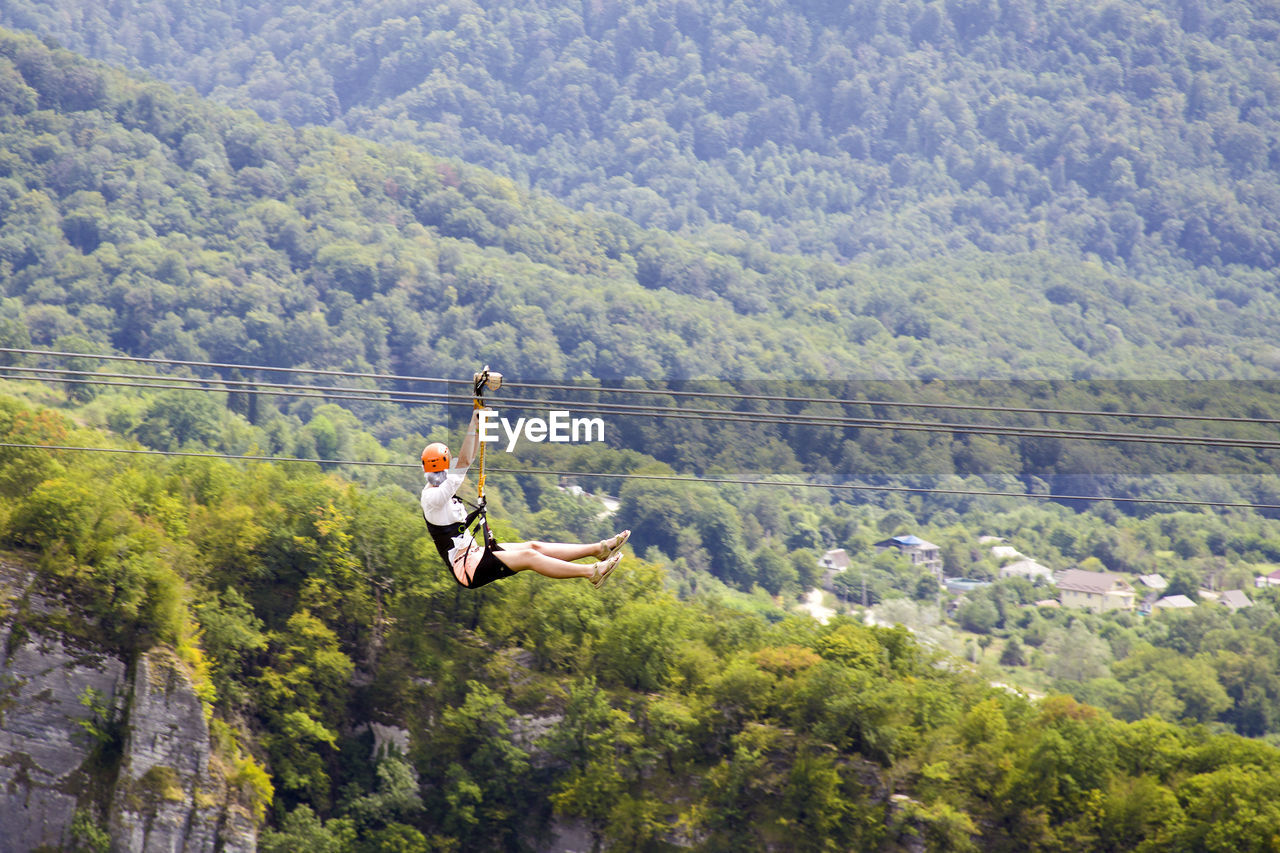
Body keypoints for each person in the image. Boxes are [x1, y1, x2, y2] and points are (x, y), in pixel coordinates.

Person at [420, 406, 629, 590]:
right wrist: (474, 422)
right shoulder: (432, 497)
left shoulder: (440, 489)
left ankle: (599, 549)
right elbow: (465, 461)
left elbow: (470, 456)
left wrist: (479, 425)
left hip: (475, 553)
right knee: (530, 557)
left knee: (533, 547)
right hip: (468, 567)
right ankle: (592, 573)